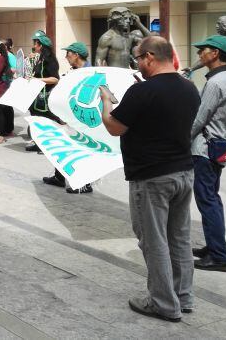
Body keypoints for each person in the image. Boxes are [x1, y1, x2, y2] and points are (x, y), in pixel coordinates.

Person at [100, 36, 200, 322]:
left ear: (151, 57)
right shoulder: (189, 88)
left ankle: (163, 303)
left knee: (154, 240)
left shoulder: (143, 92)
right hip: (183, 171)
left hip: (152, 177)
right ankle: (183, 297)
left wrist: (106, 102)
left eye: (139, 58)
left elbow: (114, 127)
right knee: (179, 239)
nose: (137, 64)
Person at [189, 35, 226, 273]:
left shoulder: (216, 82)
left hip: (205, 149)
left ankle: (219, 256)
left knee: (207, 200)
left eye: (204, 50)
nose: (200, 54)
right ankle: (214, 247)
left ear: (216, 54)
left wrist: (181, 140)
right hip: (219, 146)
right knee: (212, 198)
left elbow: (200, 118)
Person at [184, 16, 226, 153]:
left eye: (219, 25)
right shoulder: (222, 43)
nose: (217, 28)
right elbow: (204, 59)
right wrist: (192, 68)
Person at [42, 42, 92, 194]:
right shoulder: (75, 70)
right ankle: (59, 177)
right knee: (63, 145)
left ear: (76, 55)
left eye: (68, 54)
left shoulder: (88, 72)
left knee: (82, 150)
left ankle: (85, 184)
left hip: (82, 119)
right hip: (69, 117)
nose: (66, 57)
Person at [25, 31, 60, 153]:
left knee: (45, 121)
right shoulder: (40, 58)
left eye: (35, 43)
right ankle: (37, 142)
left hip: (45, 97)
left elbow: (55, 78)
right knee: (36, 120)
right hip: (36, 97)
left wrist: (37, 80)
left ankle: (46, 145)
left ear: (40, 45)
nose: (33, 46)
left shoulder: (50, 60)